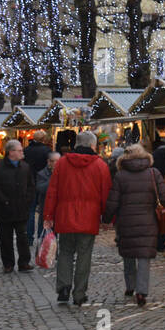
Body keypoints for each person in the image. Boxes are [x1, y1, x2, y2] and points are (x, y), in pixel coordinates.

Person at [42, 129, 112, 306]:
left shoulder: (63, 163)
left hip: (65, 216)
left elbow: (52, 192)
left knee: (65, 253)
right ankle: (79, 293)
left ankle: (63, 287)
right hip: (89, 216)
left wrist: (48, 215)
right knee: (84, 255)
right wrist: (107, 218)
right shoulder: (100, 165)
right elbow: (106, 194)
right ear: (92, 145)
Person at [104, 143, 165, 307]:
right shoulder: (153, 173)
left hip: (125, 221)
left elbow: (113, 201)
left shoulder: (120, 175)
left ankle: (130, 286)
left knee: (128, 254)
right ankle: (141, 291)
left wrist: (106, 219)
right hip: (148, 221)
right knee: (144, 256)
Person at [0, 139, 35, 274]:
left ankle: (24, 262)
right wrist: (4, 201)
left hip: (21, 209)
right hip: (4, 210)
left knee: (23, 237)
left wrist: (27, 200)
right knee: (5, 238)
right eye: (20, 150)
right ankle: (8, 263)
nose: (22, 152)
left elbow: (31, 186)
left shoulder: (25, 167)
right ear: (11, 152)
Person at [22, 130, 53, 240]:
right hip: (43, 183)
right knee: (43, 212)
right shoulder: (47, 151)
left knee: (30, 211)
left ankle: (29, 236)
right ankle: (41, 235)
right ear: (43, 139)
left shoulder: (26, 150)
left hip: (29, 183)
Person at [34, 152, 60, 240]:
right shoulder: (42, 174)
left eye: (58, 161)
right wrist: (54, 178)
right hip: (46, 208)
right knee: (44, 234)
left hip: (60, 208)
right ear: (49, 162)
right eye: (54, 161)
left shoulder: (64, 173)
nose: (56, 164)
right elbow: (40, 189)